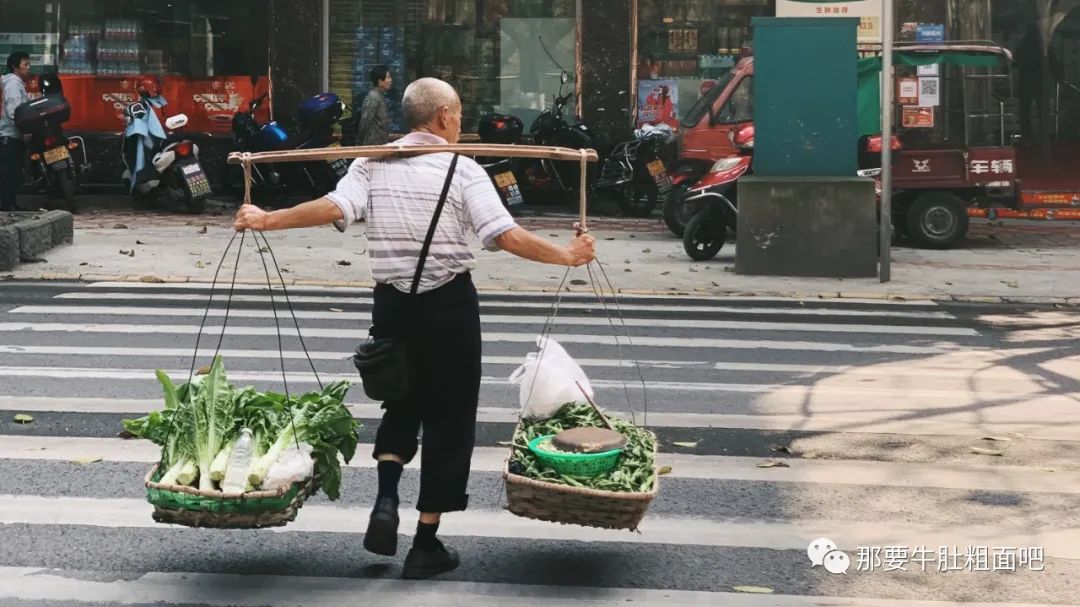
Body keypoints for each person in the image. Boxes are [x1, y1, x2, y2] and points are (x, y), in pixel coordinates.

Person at [233, 77, 596, 579]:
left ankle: (385, 500)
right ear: (444, 116)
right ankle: (425, 542)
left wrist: (267, 219)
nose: (462, 123)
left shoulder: (371, 162)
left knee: (400, 399)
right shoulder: (463, 170)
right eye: (460, 114)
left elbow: (335, 208)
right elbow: (504, 235)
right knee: (449, 417)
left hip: (392, 306)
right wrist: (567, 256)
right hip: (448, 307)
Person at [0, 52, 30, 212]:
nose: (28, 68)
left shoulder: (17, 83)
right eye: (25, 64)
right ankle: (7, 205)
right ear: (15, 66)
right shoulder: (12, 84)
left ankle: (10, 203)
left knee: (14, 172)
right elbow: (14, 111)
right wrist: (23, 130)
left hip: (13, 134)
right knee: (10, 173)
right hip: (10, 135)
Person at [356, 65, 392, 146]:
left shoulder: (379, 96)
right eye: (388, 77)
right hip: (372, 147)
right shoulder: (373, 97)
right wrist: (359, 142)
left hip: (379, 145)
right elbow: (365, 121)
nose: (390, 80)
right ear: (380, 81)